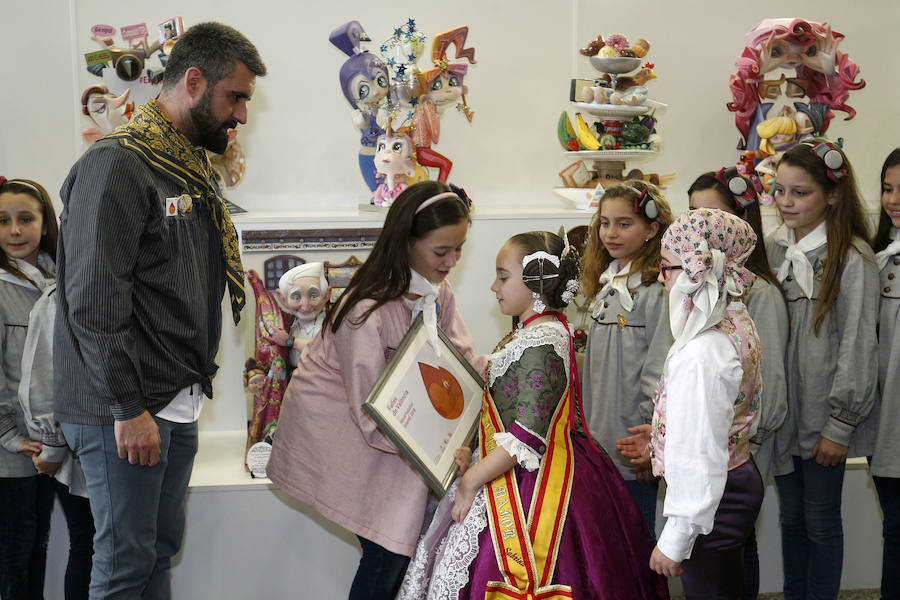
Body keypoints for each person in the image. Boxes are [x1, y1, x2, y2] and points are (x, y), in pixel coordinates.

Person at [54, 22, 266, 599]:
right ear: (193, 81)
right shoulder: (118, 164)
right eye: (236, 97)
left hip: (174, 398)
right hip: (123, 405)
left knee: (157, 555)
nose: (241, 115)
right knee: (124, 567)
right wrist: (129, 406)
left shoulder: (185, 167)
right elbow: (94, 302)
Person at [400, 230, 667, 600]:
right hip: (512, 469)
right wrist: (474, 447)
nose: (494, 286)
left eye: (503, 276)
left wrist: (471, 480)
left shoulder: (543, 340)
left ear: (536, 282)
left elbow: (526, 437)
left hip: (536, 481)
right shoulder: (530, 333)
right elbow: (507, 409)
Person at [267, 181, 486, 600]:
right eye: (442, 251)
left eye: (459, 249)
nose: (452, 261)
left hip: (400, 435)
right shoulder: (365, 310)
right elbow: (369, 413)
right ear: (406, 242)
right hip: (347, 433)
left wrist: (506, 376)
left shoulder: (437, 294)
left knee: (400, 553)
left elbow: (465, 362)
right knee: (388, 552)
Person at [618, 208, 765, 599]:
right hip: (736, 474)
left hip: (713, 496)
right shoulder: (735, 318)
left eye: (666, 268)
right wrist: (666, 432)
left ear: (694, 273)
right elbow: (717, 414)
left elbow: (699, 450)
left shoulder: (701, 352)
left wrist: (677, 535)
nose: (661, 277)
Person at [767, 140, 878, 600]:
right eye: (779, 191)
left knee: (820, 523)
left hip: (823, 422)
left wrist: (841, 423)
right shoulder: (773, 251)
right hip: (783, 419)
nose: (786, 203)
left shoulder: (851, 258)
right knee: (788, 520)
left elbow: (857, 345)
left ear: (832, 195)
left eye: (800, 193)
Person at [687, 168, 789, 600]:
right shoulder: (694, 290)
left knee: (733, 548)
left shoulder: (758, 294)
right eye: (691, 216)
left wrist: (729, 443)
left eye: (708, 216)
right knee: (705, 554)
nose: (696, 228)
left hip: (737, 451)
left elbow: (769, 391)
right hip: (702, 447)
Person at [0, 177, 94, 600]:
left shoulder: (61, 278)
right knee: (15, 558)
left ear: (46, 224)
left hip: (60, 445)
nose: (14, 231)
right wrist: (10, 436)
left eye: (25, 219)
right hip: (13, 453)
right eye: (2, 221)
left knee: (55, 545)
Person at [579, 181, 673, 537]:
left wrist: (652, 442)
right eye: (605, 223)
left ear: (652, 228)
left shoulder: (655, 291)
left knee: (635, 540)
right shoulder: (607, 284)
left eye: (623, 223)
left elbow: (658, 371)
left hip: (633, 446)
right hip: (600, 442)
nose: (611, 233)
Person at [868, 147, 900, 600]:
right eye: (889, 188)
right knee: (895, 531)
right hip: (887, 426)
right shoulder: (878, 258)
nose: (894, 199)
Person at [271, 262, 332, 367]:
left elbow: (323, 349)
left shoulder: (328, 326)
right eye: (296, 298)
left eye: (313, 296)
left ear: (326, 295)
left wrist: (290, 341)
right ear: (283, 299)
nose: (305, 307)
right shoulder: (291, 325)